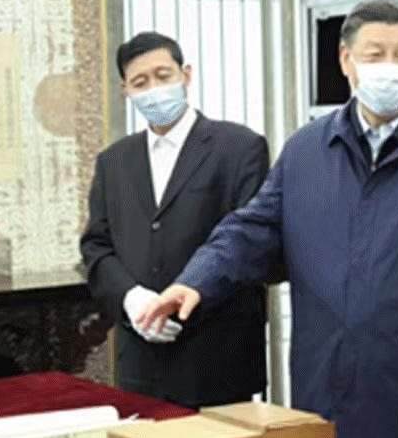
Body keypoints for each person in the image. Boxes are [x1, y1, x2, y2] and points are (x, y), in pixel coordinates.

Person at [138, 0, 398, 438]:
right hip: (325, 386)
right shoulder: (308, 150)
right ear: (346, 60)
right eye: (374, 54)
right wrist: (195, 280)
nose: (390, 67)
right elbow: (253, 228)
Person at [80, 32, 270, 407]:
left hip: (218, 357)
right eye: (140, 82)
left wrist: (191, 292)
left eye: (163, 75)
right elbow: (96, 246)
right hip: (141, 361)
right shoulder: (114, 161)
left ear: (186, 75)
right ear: (125, 91)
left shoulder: (239, 147)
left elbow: (251, 243)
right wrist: (132, 300)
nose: (154, 89)